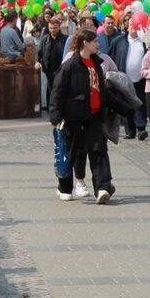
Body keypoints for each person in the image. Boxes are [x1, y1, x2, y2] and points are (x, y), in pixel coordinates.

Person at [50, 30, 116, 204]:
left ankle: (102, 187)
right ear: (85, 43)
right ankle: (64, 187)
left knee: (99, 151)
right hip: (73, 117)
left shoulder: (96, 63)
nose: (97, 44)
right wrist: (56, 117)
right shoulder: (71, 65)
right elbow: (58, 91)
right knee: (70, 153)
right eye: (94, 41)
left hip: (93, 117)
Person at [35, 15, 68, 109]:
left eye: (55, 28)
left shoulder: (65, 39)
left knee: (60, 89)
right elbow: (39, 52)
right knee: (50, 89)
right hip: (49, 68)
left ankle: (60, 107)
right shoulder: (45, 39)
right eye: (51, 28)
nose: (53, 30)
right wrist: (37, 61)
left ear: (59, 27)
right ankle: (51, 108)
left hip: (61, 69)